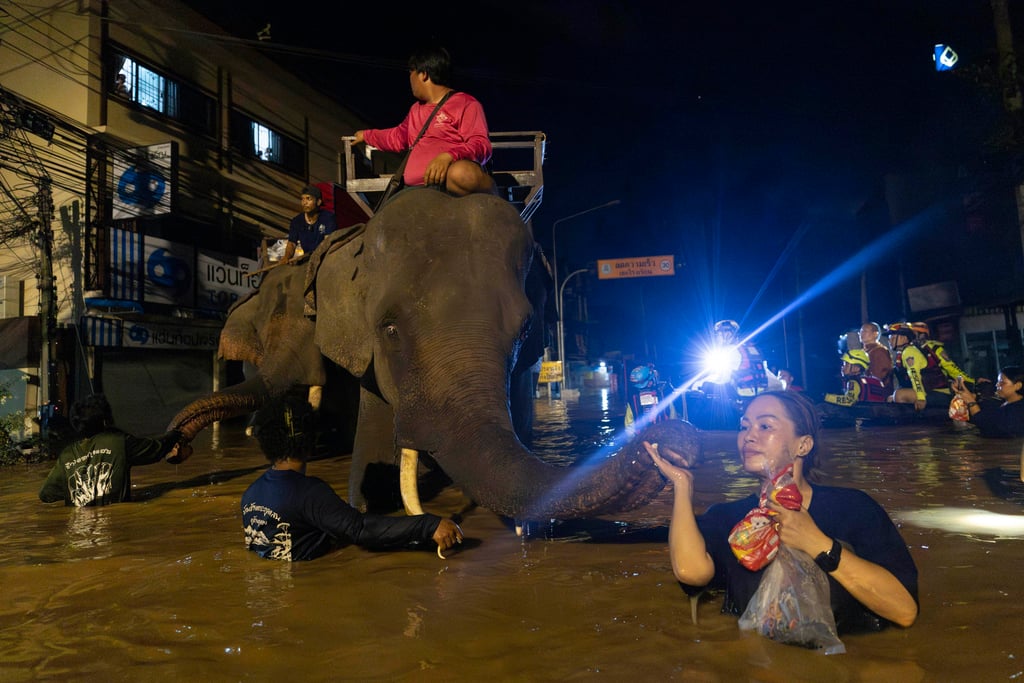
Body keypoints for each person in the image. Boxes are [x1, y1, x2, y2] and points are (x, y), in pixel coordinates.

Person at [645, 391, 918, 634]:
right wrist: (683, 486)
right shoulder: (727, 516)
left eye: (765, 426)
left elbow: (904, 611)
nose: (749, 436)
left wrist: (816, 543)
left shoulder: (853, 508)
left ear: (803, 445)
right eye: (744, 426)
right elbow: (691, 572)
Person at [241, 394, 464, 561]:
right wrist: (429, 525)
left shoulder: (249, 495)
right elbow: (360, 529)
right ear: (310, 439)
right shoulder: (309, 493)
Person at [352, 46, 495, 196]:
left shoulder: (466, 103)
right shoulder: (416, 110)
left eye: (411, 72)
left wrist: (449, 156)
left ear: (423, 74)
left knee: (460, 173)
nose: (410, 79)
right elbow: (396, 137)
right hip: (415, 190)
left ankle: (493, 201)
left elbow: (481, 145)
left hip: (449, 185)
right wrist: (366, 135)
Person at [39, 394, 190, 507]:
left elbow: (47, 494)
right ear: (105, 420)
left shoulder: (66, 455)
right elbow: (157, 447)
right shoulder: (119, 442)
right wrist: (176, 433)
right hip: (114, 526)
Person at [886, 321, 977, 411]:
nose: (916, 337)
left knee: (899, 395)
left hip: (938, 392)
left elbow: (952, 369)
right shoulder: (903, 353)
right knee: (892, 397)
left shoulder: (925, 349)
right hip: (927, 391)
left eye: (918, 334)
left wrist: (974, 382)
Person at [951, 366, 1024, 438]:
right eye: (998, 382)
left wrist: (971, 402)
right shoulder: (1003, 403)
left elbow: (985, 424)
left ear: (1018, 386)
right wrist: (967, 394)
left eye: (1002, 383)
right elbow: (987, 406)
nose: (997, 385)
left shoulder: (1018, 410)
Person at [280, 185, 337, 264]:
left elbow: (328, 242)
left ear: (318, 202)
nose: (304, 203)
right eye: (302, 199)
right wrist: (286, 257)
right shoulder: (297, 221)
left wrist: (316, 256)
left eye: (308, 199)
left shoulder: (328, 218)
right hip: (307, 259)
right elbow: (292, 243)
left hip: (325, 258)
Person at [823, 349, 888, 406]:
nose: (843, 367)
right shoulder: (877, 381)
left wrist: (825, 397)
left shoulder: (853, 382)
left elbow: (848, 401)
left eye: (846, 364)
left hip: (861, 417)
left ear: (856, 368)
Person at [624, 362, 676, 433]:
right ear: (651, 381)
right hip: (664, 437)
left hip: (642, 440)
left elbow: (629, 426)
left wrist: (633, 442)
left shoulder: (633, 400)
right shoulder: (663, 396)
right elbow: (673, 417)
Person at [858, 322, 894, 394]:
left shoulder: (879, 351)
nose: (862, 334)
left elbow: (880, 375)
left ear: (875, 334)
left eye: (865, 331)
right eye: (861, 331)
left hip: (877, 392)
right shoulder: (864, 351)